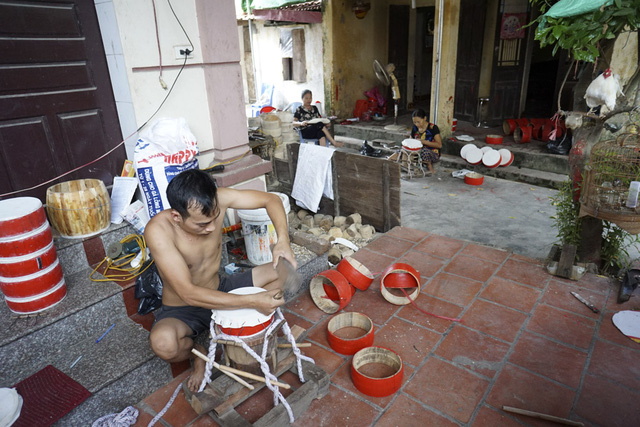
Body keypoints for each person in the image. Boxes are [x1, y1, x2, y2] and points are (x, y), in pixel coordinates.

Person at [144, 168, 297, 393]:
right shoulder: (158, 230)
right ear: (177, 216)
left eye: (215, 218)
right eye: (202, 225)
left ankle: (245, 329)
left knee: (284, 269)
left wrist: (283, 240)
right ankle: (199, 353)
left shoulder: (220, 197)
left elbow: (271, 200)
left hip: (221, 289)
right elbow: (187, 292)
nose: (213, 228)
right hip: (184, 308)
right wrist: (253, 300)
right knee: (163, 343)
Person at [410, 108, 442, 174]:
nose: (416, 124)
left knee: (424, 151)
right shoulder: (415, 128)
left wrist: (424, 142)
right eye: (414, 122)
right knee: (403, 149)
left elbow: (439, 145)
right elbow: (410, 139)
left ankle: (430, 168)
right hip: (418, 151)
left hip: (433, 153)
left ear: (425, 118)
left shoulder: (433, 128)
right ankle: (390, 160)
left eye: (418, 122)